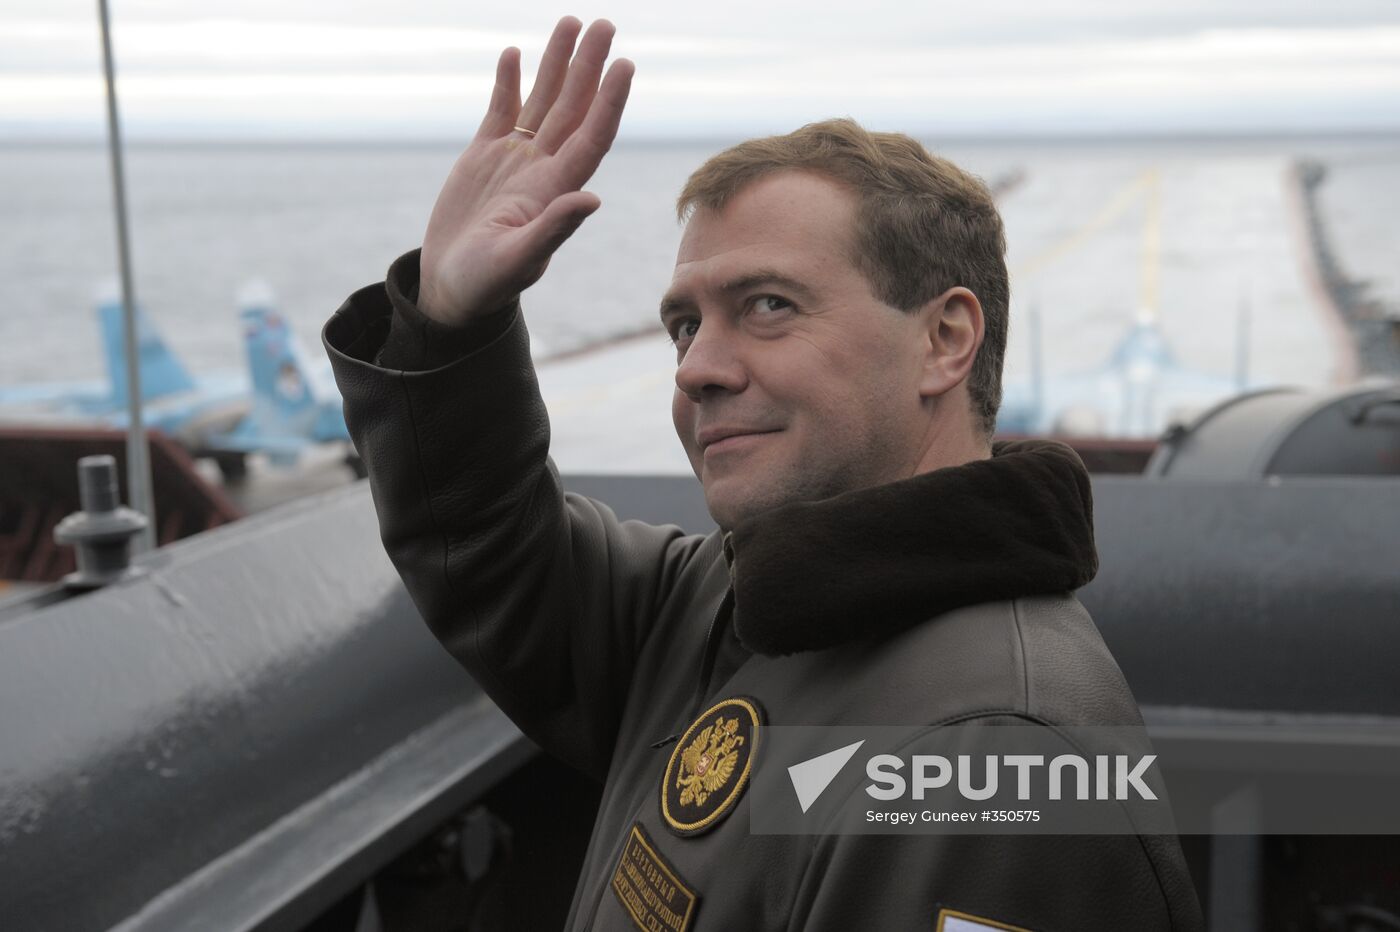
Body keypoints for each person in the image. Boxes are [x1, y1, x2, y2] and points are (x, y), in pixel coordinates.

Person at [323, 16, 1204, 931]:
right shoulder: (737, 603)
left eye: (768, 306)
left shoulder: (990, 754)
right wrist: (449, 320)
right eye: (684, 325)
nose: (696, 365)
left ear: (945, 341)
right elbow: (495, 551)